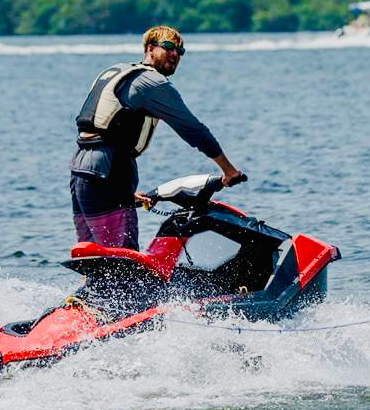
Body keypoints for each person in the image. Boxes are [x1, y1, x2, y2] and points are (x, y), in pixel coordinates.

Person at [69, 25, 243, 250]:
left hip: (82, 173)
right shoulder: (152, 83)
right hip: (108, 172)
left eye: (180, 51)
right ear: (150, 49)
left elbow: (104, 129)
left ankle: (89, 287)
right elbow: (193, 130)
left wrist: (124, 192)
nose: (175, 54)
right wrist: (228, 170)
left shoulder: (118, 71)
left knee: (95, 258)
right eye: (168, 47)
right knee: (122, 259)